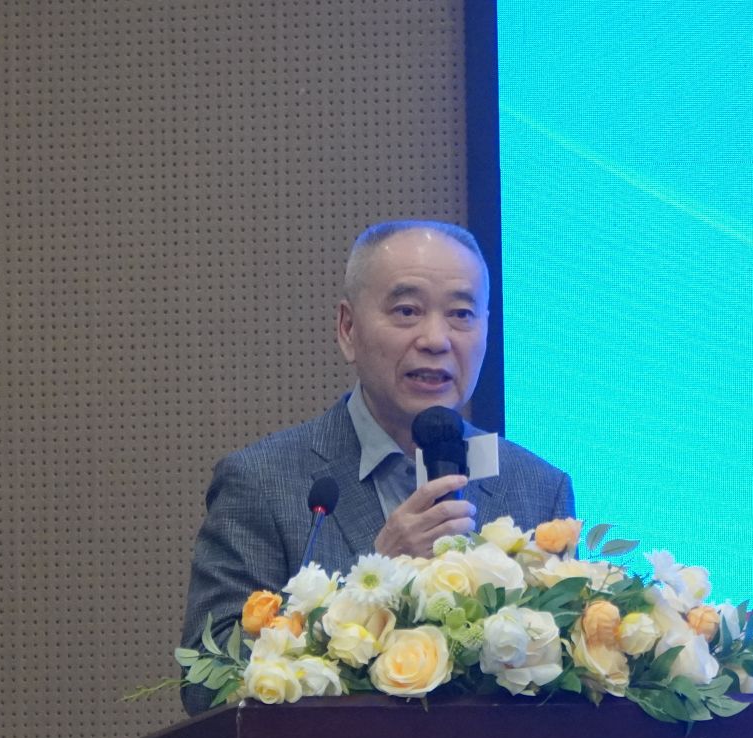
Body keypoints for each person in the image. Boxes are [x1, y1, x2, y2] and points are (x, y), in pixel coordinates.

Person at [179, 219, 575, 712]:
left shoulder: (537, 487)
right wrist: (373, 579)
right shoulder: (263, 482)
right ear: (348, 329)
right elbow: (208, 681)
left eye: (461, 314)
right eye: (407, 311)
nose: (436, 339)